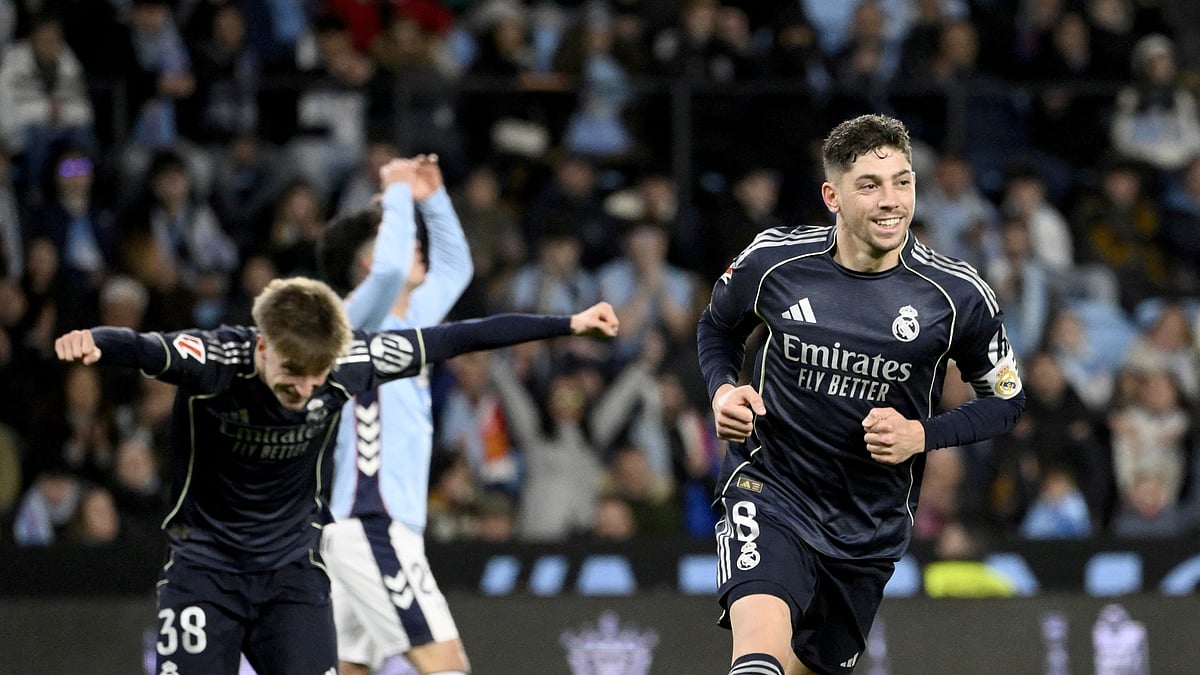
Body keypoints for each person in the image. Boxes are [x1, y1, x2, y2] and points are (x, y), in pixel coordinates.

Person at [53, 276, 618, 674]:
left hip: (291, 577)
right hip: (205, 572)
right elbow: (139, 347)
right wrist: (92, 342)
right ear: (263, 345)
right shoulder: (213, 360)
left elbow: (458, 337)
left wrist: (568, 324)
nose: (304, 393)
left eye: (316, 379)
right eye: (292, 376)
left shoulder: (349, 361)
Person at [697, 113, 1025, 675]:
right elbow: (716, 328)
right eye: (869, 186)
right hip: (771, 486)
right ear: (833, 195)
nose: (891, 200)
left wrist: (922, 434)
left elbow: (1006, 400)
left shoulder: (957, 296)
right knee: (758, 657)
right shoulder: (775, 262)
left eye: (902, 181)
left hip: (868, 526)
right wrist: (723, 390)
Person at [317, 153, 476, 674]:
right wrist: (398, 191)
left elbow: (456, 267)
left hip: (367, 526)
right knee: (447, 666)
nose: (417, 245)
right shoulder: (350, 325)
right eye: (406, 237)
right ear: (367, 262)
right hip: (374, 523)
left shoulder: (412, 321)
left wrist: (432, 196)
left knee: (352, 670)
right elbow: (388, 271)